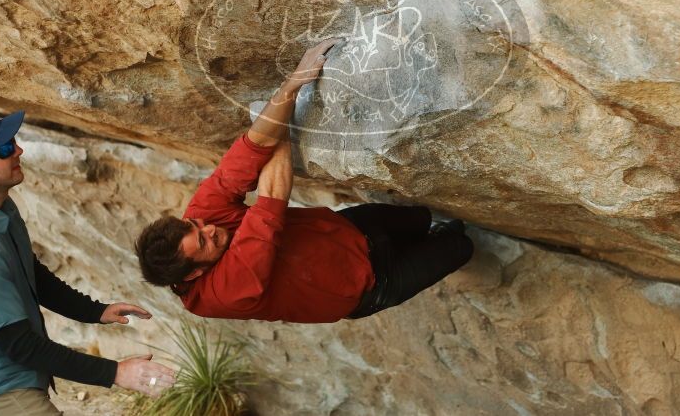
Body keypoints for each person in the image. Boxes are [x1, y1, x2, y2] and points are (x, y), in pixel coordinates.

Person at [135, 39, 474, 323]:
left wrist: (294, 82)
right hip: (369, 284)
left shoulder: (204, 219)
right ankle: (449, 236)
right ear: (193, 274)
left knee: (421, 217)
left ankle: (435, 227)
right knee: (459, 245)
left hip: (347, 230)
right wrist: (279, 113)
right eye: (204, 243)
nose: (208, 228)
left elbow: (254, 147)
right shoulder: (224, 292)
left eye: (195, 225)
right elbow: (271, 196)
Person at [0, 111, 176, 415]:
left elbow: (33, 274)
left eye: (14, 141)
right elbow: (22, 346)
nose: (18, 150)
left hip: (15, 375)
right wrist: (117, 373)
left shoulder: (0, 209)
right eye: (5, 149)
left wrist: (96, 311)